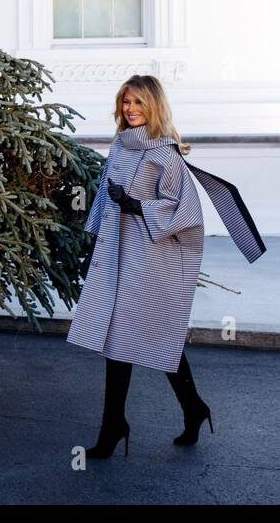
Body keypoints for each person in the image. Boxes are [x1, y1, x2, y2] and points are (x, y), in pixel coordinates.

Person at [67, 75, 217, 460]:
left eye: (138, 103)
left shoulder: (165, 155)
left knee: (153, 335)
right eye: (126, 102)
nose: (130, 110)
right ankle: (121, 423)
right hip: (119, 253)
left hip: (153, 258)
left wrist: (136, 206)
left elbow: (185, 211)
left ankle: (188, 409)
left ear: (154, 106)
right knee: (123, 336)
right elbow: (103, 196)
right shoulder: (120, 147)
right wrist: (95, 240)